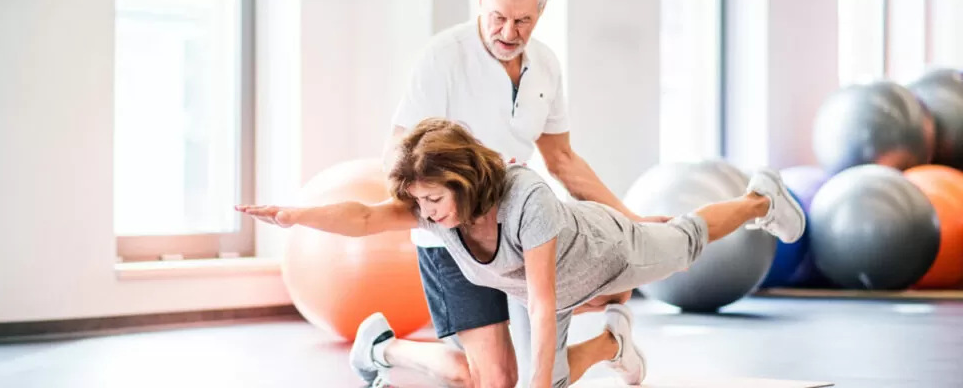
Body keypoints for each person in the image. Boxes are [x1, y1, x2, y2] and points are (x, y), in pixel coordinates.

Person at [237, 118, 807, 388]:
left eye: (434, 199)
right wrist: (294, 216)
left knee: (686, 242)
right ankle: (614, 343)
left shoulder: (524, 198)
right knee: (546, 380)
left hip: (609, 252)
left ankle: (760, 198)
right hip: (539, 291)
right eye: (419, 201)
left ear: (463, 181)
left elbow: (542, 301)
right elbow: (364, 218)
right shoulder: (434, 210)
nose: (425, 212)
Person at [346, 0, 661, 386]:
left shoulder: (546, 65)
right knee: (496, 380)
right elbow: (395, 155)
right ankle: (382, 348)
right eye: (498, 18)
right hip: (454, 244)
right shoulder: (443, 57)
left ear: (541, 11)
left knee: (614, 286)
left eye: (522, 21)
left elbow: (563, 160)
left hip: (514, 232)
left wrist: (632, 220)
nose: (509, 32)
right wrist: (447, 193)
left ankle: (612, 343)